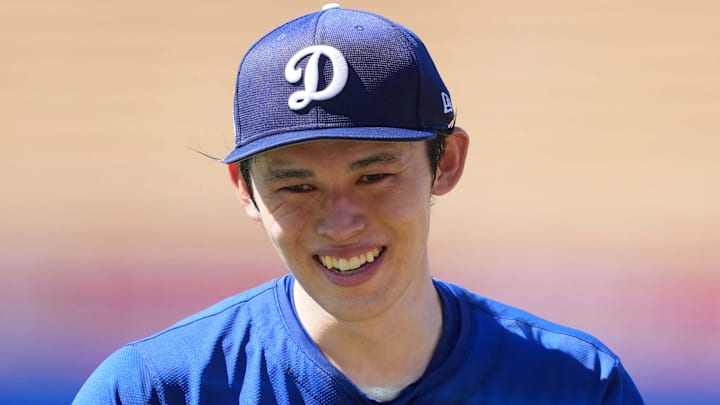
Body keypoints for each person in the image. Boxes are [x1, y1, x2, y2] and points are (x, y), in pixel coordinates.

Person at [74, 4, 644, 404]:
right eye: (297, 187)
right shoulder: (156, 391)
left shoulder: (576, 386)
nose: (340, 222)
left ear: (444, 164)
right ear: (244, 189)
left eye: (373, 176)